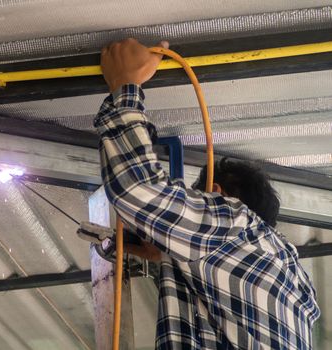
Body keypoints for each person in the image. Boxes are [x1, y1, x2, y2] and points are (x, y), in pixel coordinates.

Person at [95, 38, 320, 349]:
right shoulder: (291, 278)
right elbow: (138, 189)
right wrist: (124, 87)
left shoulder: (234, 229)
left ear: (216, 194)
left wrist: (125, 86)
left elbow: (137, 189)